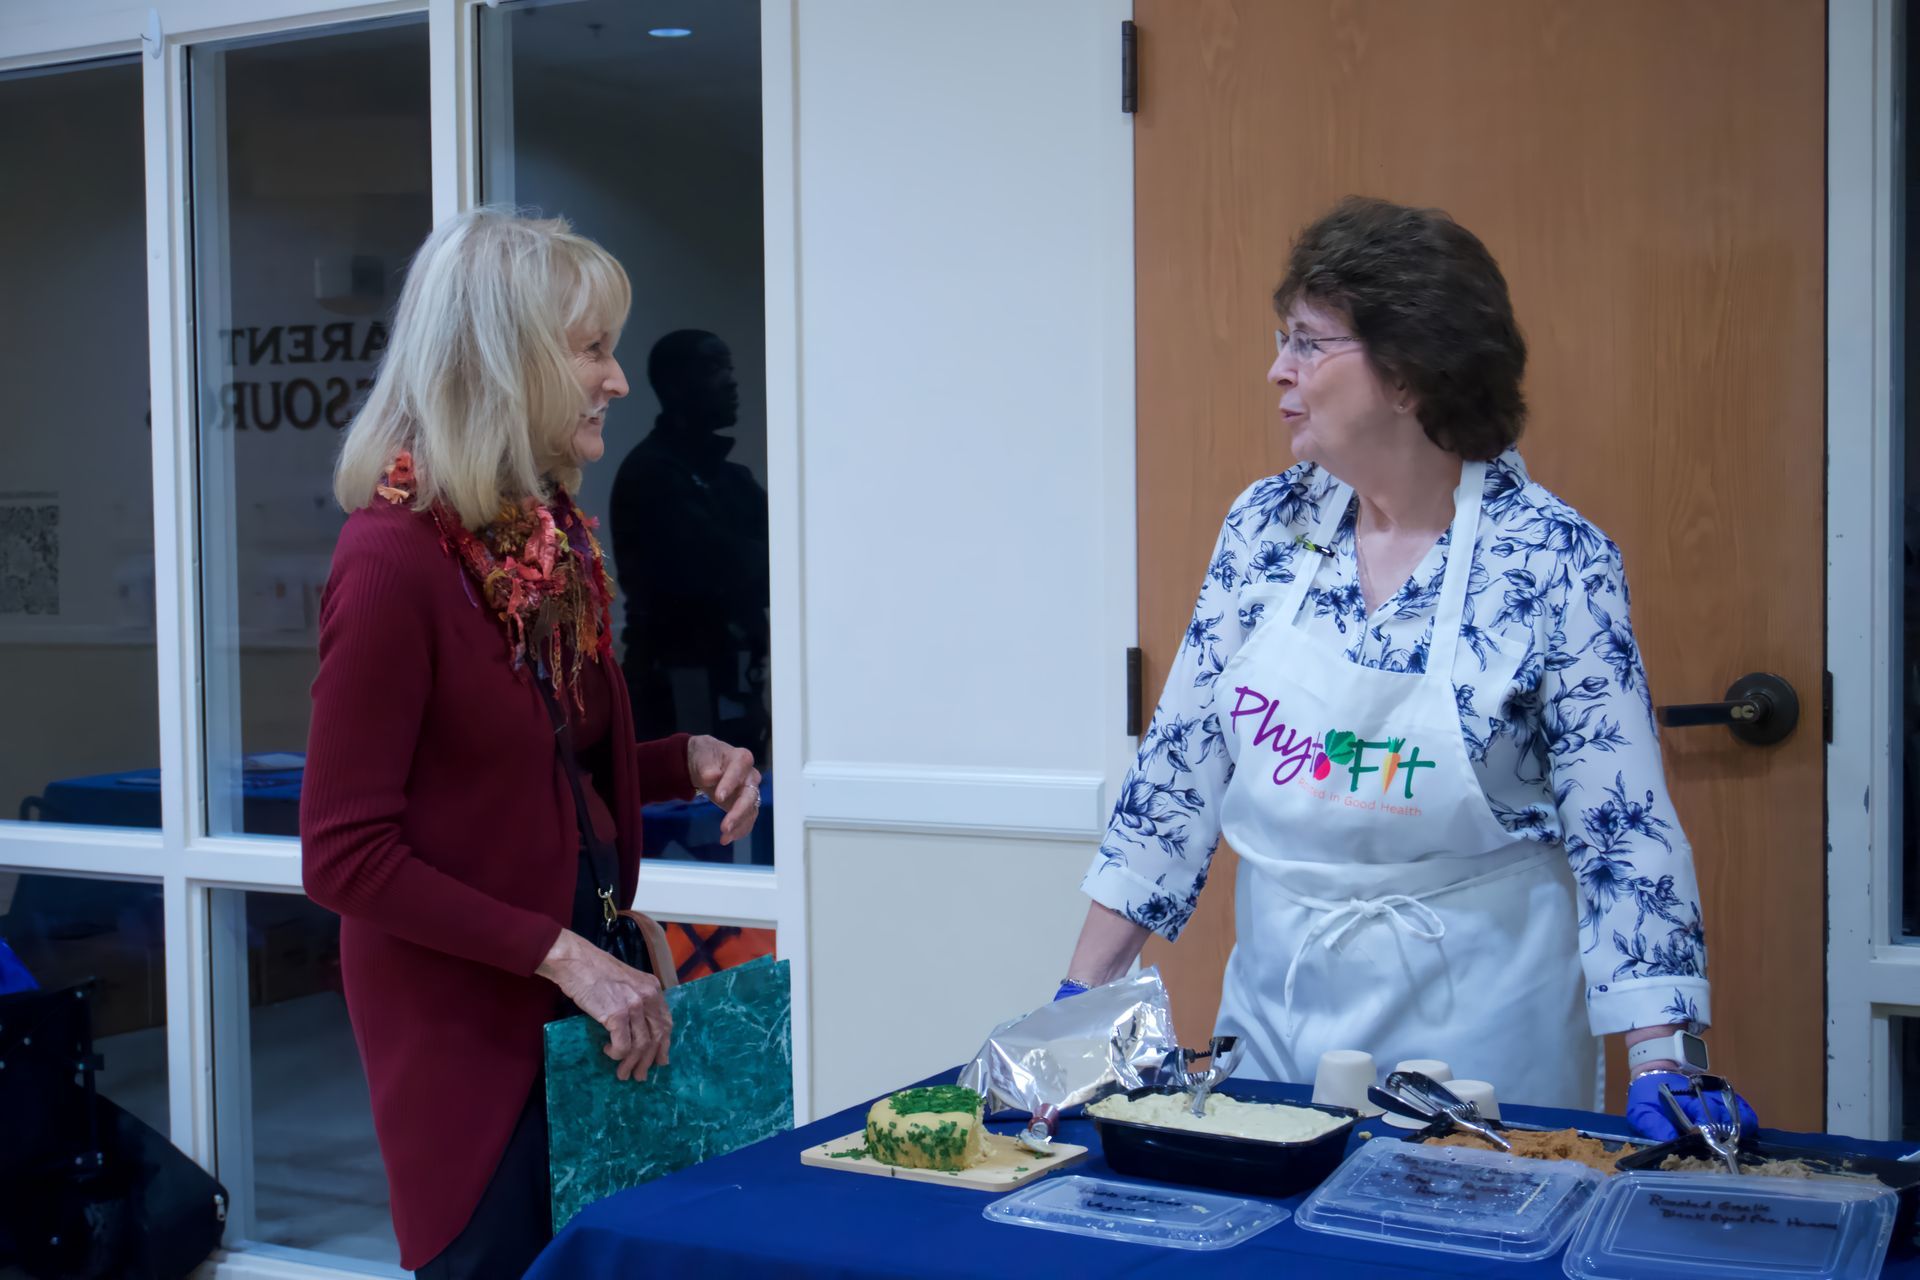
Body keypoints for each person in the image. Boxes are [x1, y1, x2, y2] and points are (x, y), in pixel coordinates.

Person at [1059, 196, 1751, 1139]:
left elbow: (1623, 833)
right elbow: (1177, 775)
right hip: (1276, 1021)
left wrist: (1663, 1061)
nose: (1278, 369)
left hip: (1483, 1039)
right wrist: (1074, 998)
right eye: (1283, 337)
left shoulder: (1550, 559)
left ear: (1410, 372)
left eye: (1309, 342)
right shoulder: (1266, 528)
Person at [300, 209, 762, 1279]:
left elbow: (536, 766)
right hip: (473, 1045)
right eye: (592, 349)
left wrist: (682, 753)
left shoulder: (544, 541)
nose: (617, 381)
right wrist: (568, 957)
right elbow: (343, 851)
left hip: (581, 1019)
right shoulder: (390, 560)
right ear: (504, 363)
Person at [608, 330, 772, 769]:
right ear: (674, 385)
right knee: (693, 815)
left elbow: (779, 572)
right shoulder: (653, 475)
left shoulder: (732, 479)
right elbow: (711, 579)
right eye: (715, 368)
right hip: (679, 689)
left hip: (738, 680)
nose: (731, 382)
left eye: (730, 369)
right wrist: (746, 561)